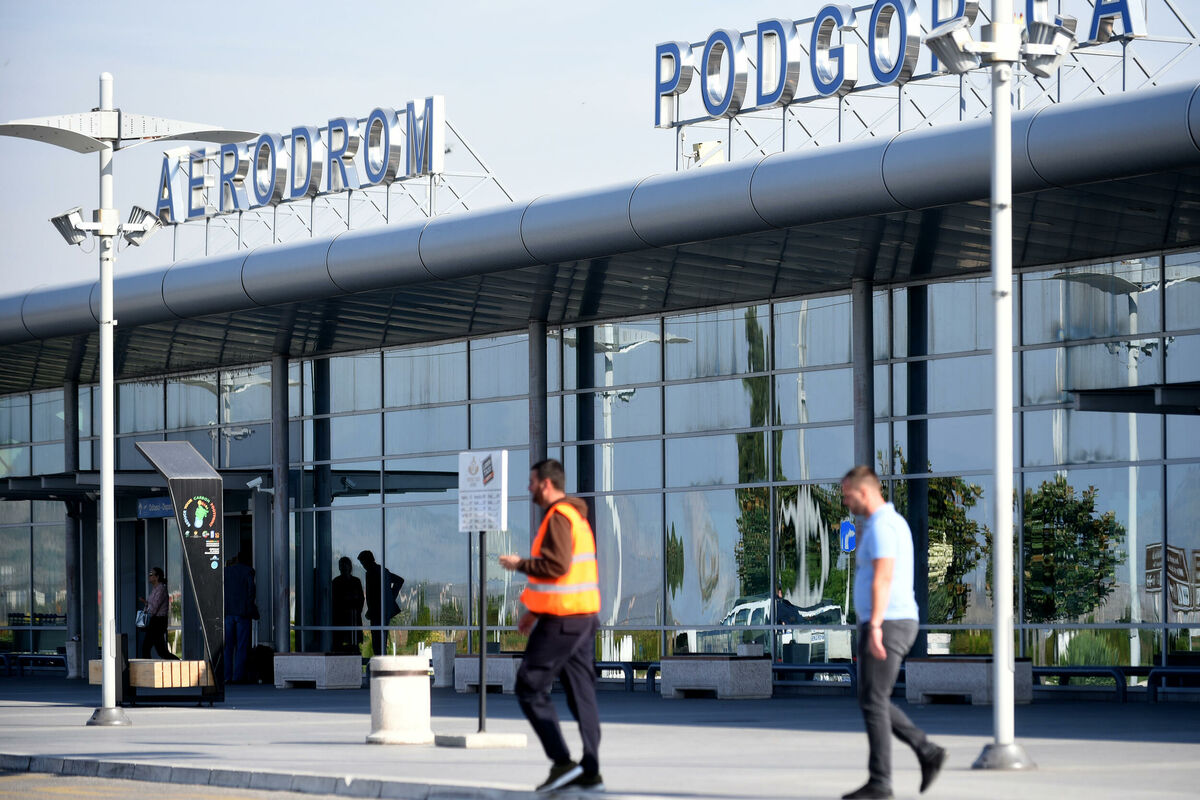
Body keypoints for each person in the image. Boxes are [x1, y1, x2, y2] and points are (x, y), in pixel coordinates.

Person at [840, 466, 946, 799]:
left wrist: (874, 625)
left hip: (887, 622)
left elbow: (883, 576)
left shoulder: (884, 526)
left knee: (873, 700)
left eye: (847, 495)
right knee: (872, 699)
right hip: (887, 621)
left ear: (864, 492)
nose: (845, 502)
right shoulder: (885, 524)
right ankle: (925, 751)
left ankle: (881, 783)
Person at [499, 458, 603, 794]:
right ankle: (590, 771)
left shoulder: (558, 516)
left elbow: (557, 566)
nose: (528, 488)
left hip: (562, 620)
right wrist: (533, 611)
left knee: (529, 686)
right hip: (582, 617)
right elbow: (566, 577)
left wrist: (520, 564)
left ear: (546, 484)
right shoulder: (575, 517)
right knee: (581, 694)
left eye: (531, 482)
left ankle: (562, 763)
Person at [357, 550, 403, 657]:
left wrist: (389, 599)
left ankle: (381, 662)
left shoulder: (374, 572)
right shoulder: (381, 571)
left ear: (368, 561)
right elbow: (399, 581)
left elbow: (374, 595)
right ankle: (381, 661)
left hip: (378, 612)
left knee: (378, 642)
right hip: (380, 611)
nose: (363, 566)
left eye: (363, 563)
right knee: (380, 641)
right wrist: (390, 599)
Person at [224, 553, 257, 684]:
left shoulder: (225, 572)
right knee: (241, 646)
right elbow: (251, 591)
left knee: (227, 647)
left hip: (228, 613)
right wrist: (250, 607)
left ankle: (227, 676)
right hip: (243, 614)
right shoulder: (248, 571)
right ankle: (238, 677)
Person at [138, 567, 177, 659]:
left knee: (151, 649)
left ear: (157, 577)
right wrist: (145, 603)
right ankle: (178, 663)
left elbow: (154, 608)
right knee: (158, 650)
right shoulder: (155, 589)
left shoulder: (161, 589)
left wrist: (146, 605)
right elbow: (151, 605)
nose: (149, 576)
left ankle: (179, 663)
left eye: (151, 574)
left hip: (158, 622)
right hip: (155, 621)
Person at [331, 556, 365, 653]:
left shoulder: (338, 581)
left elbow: (361, 598)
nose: (344, 568)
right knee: (343, 643)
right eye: (342, 566)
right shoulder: (337, 582)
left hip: (351, 616)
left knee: (352, 643)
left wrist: (356, 610)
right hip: (343, 617)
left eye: (345, 566)